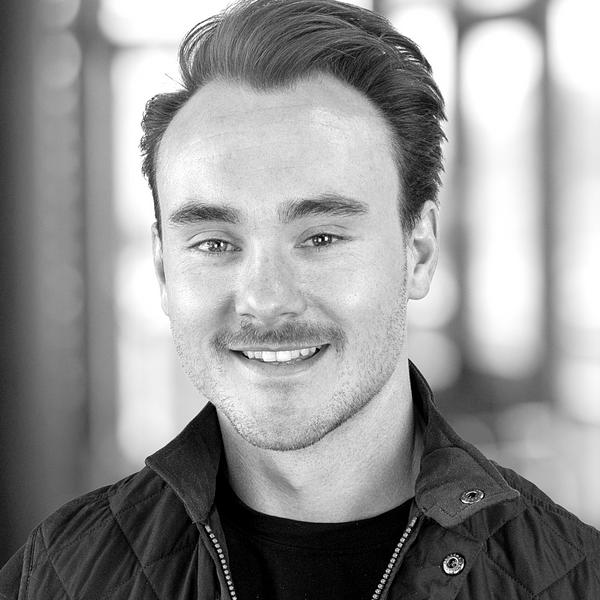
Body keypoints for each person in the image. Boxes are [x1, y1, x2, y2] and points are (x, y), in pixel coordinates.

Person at [1, 0, 599, 598]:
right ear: (163, 268)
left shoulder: (572, 580)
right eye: (214, 243)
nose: (265, 300)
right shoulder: (59, 577)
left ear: (417, 252)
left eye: (321, 238)